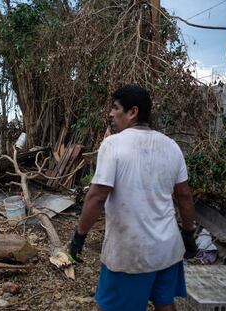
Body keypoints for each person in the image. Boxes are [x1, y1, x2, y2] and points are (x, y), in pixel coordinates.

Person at [69, 85, 197, 311]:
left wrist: (79, 236)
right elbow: (184, 195)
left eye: (115, 108)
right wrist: (188, 233)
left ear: (132, 112)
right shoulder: (171, 146)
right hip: (167, 248)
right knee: (165, 303)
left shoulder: (113, 144)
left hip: (131, 254)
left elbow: (97, 196)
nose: (110, 113)